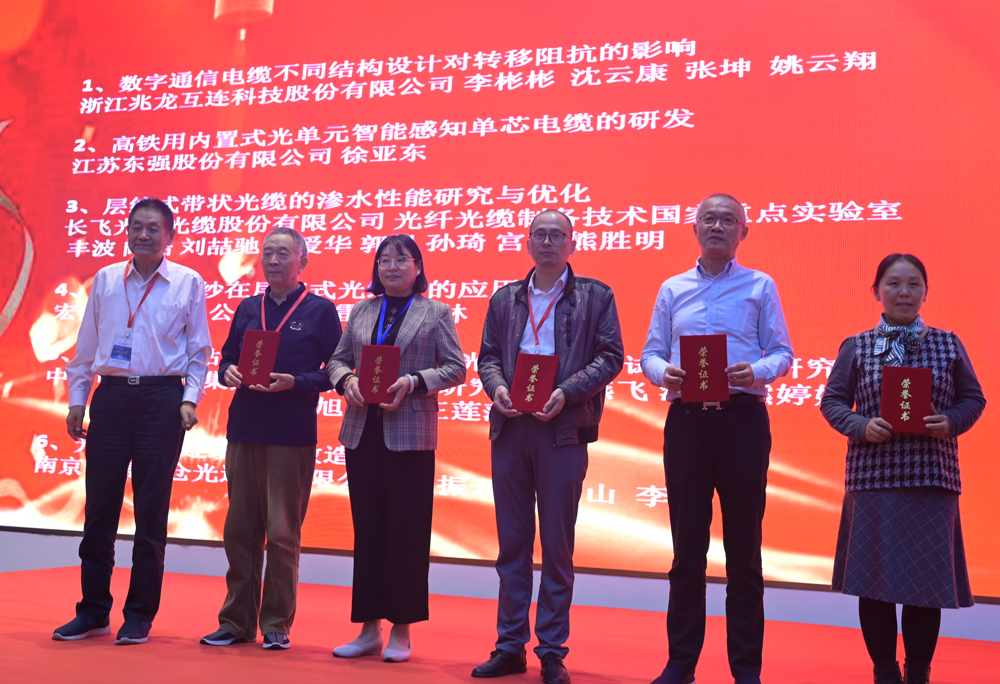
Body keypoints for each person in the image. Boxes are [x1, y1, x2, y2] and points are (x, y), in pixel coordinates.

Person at [640, 193, 794, 684]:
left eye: (729, 220)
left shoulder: (760, 285)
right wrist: (664, 373)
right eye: (709, 218)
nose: (718, 226)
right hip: (687, 423)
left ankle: (746, 669)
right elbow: (650, 353)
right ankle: (680, 663)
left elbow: (783, 352)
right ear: (694, 228)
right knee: (687, 550)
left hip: (742, 420)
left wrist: (757, 371)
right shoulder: (672, 287)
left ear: (743, 232)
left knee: (744, 552)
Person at [473, 209, 624, 684]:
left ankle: (552, 651)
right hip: (511, 427)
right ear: (527, 242)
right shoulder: (505, 298)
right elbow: (488, 357)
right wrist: (497, 387)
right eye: (539, 234)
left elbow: (611, 356)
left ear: (572, 244)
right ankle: (509, 646)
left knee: (557, 547)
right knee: (512, 545)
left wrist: (567, 391)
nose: (547, 242)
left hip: (563, 430)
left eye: (557, 235)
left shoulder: (596, 296)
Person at [820, 254, 985, 684]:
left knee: (924, 586)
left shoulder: (948, 343)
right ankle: (885, 673)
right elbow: (832, 402)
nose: (904, 293)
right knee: (874, 583)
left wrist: (950, 421)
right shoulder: (857, 345)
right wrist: (861, 425)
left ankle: (918, 673)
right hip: (873, 479)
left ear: (926, 292)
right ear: (876, 291)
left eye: (914, 284)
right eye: (894, 284)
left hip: (932, 479)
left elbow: (974, 399)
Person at [57, 197, 211, 645]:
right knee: (99, 509)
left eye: (153, 228)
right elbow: (86, 347)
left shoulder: (188, 282)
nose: (144, 234)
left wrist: (189, 398)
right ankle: (92, 611)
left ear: (170, 236)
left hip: (161, 399)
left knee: (150, 510)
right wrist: (77, 400)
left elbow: (199, 352)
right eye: (136, 227)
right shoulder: (106, 279)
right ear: (126, 232)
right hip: (110, 398)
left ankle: (139, 614)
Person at [200, 227, 342, 650]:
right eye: (267, 253)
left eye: (283, 253)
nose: (273, 260)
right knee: (240, 530)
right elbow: (226, 359)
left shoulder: (320, 310)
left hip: (290, 433)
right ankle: (236, 622)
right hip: (244, 429)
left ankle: (277, 623)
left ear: (303, 261)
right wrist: (227, 372)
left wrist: (296, 382)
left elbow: (336, 372)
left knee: (282, 533)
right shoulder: (248, 307)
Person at [326, 235, 465, 663]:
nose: (391, 266)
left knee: (407, 532)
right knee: (368, 530)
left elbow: (456, 367)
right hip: (363, 431)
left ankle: (401, 631)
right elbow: (336, 360)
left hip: (411, 434)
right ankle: (369, 629)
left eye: (401, 259)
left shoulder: (435, 312)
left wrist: (415, 381)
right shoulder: (362, 310)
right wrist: (347, 380)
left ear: (418, 267)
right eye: (383, 260)